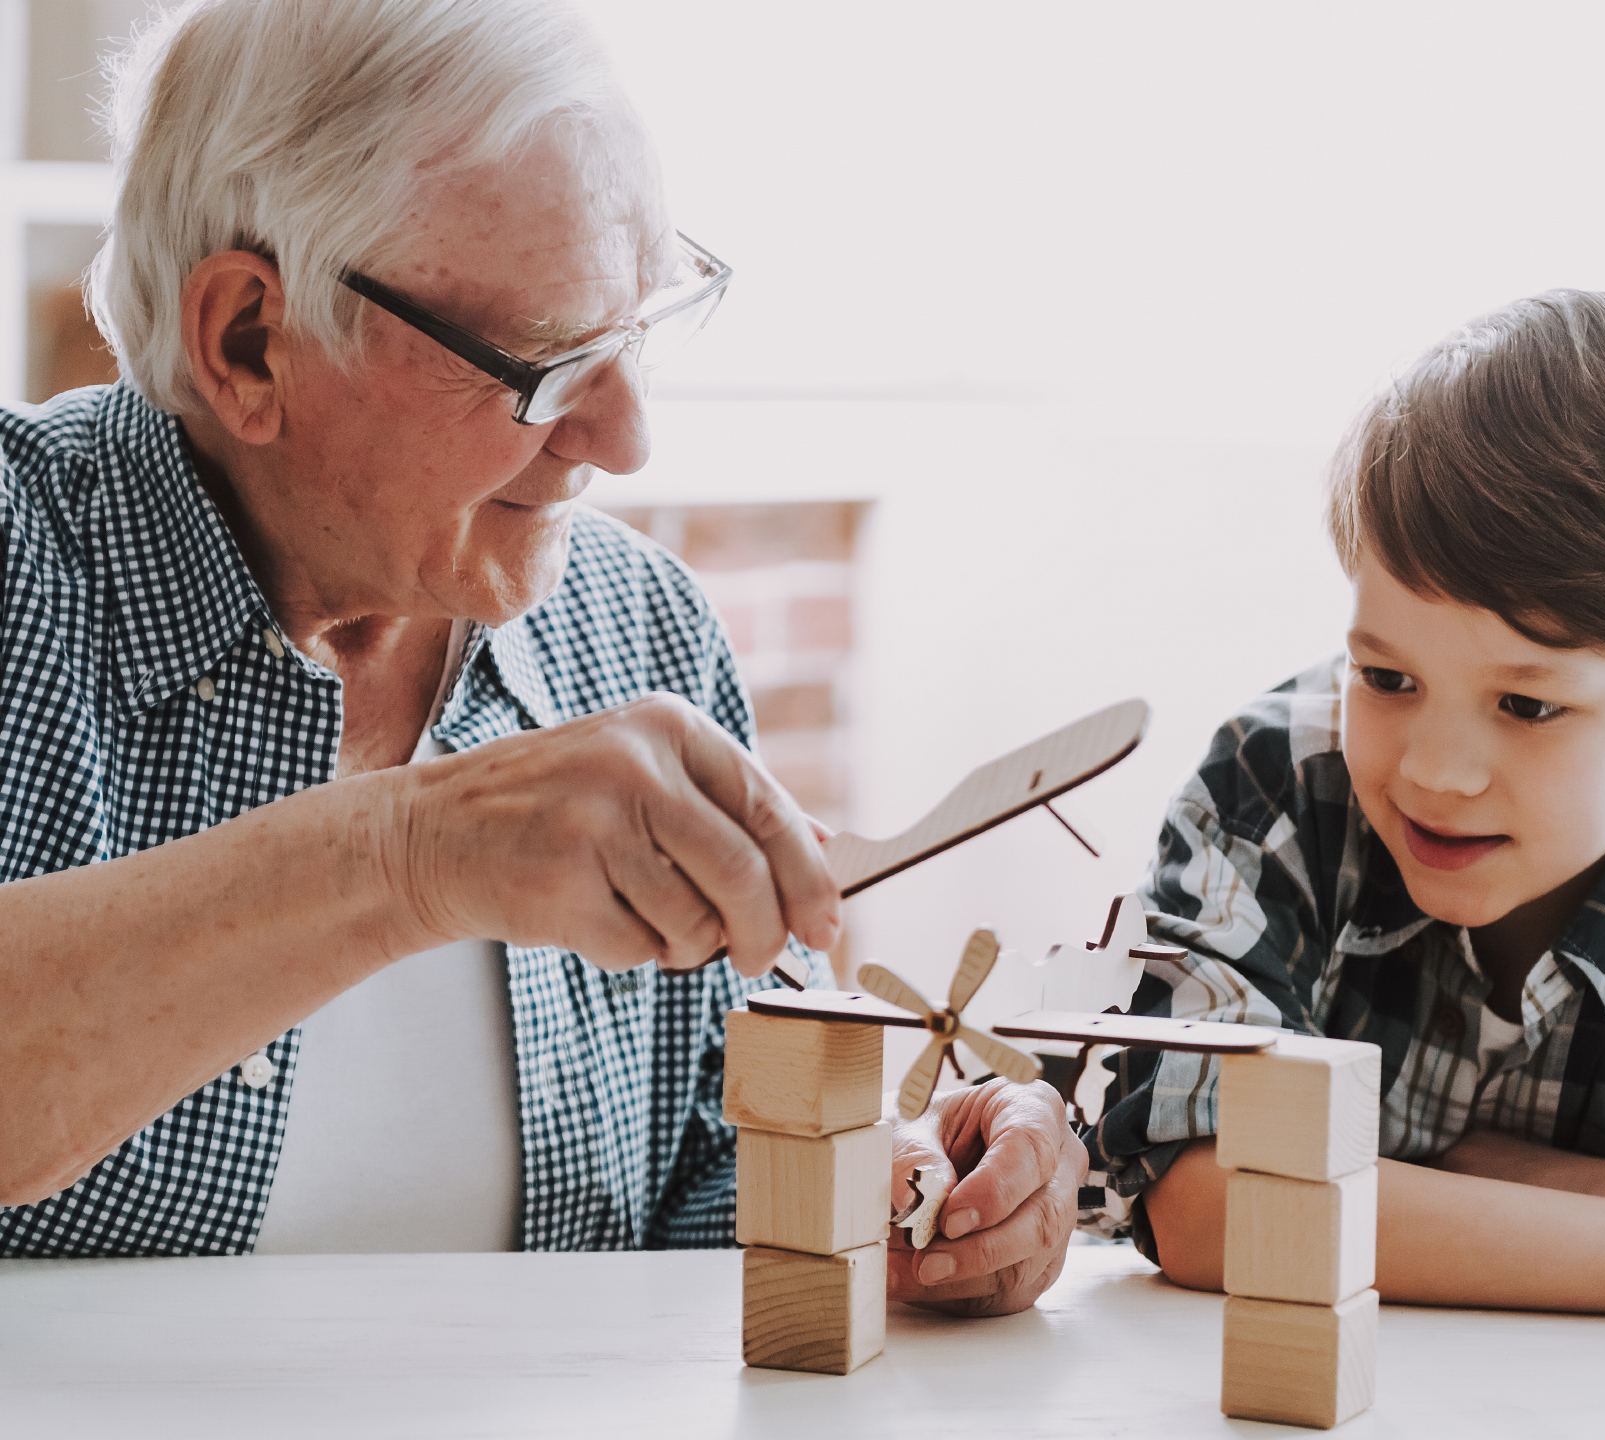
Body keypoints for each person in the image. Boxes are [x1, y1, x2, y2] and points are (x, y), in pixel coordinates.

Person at [0, 0, 1083, 1314]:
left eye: (634, 331)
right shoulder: (23, 568)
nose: (625, 440)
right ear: (248, 339)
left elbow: (708, 1163)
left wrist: (898, 1195)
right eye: (549, 362)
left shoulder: (639, 631)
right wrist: (414, 855)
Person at [1093, 290, 1605, 1339]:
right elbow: (1207, 1203)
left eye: (1527, 706)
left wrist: (1603, 1189)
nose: (1437, 774)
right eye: (1387, 677)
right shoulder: (1278, 790)